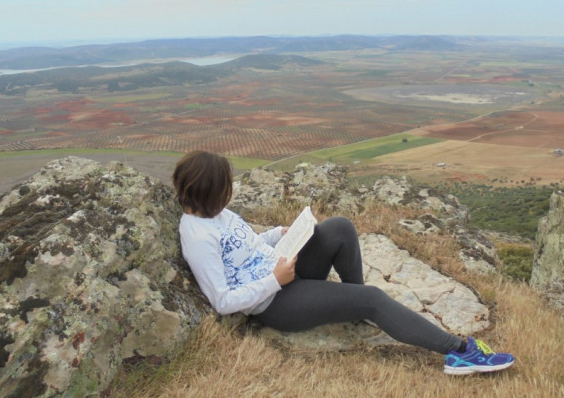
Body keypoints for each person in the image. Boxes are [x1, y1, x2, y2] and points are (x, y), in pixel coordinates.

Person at [172, 150, 515, 375]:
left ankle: (358, 308)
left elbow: (244, 249)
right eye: (224, 188)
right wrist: (275, 280)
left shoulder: (216, 213)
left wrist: (278, 234)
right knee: (373, 298)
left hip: (283, 271)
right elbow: (222, 301)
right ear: (208, 192)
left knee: (339, 228)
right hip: (276, 302)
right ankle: (459, 352)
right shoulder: (197, 237)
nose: (229, 192)